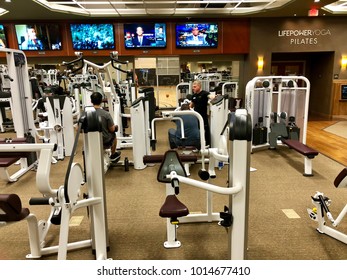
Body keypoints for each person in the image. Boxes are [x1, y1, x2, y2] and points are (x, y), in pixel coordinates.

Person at [90, 92, 121, 163]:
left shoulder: (87, 114)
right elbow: (112, 129)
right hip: (104, 140)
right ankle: (113, 154)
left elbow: (77, 128)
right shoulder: (106, 114)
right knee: (114, 135)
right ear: (101, 101)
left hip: (91, 140)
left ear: (91, 101)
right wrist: (115, 127)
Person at [190, 80, 211, 146]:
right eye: (193, 87)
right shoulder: (194, 95)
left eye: (195, 87)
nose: (193, 88)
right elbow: (191, 105)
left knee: (205, 130)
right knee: (197, 130)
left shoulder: (204, 93)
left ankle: (207, 144)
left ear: (199, 86)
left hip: (203, 115)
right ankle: (198, 145)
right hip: (196, 116)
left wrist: (213, 98)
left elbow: (210, 96)